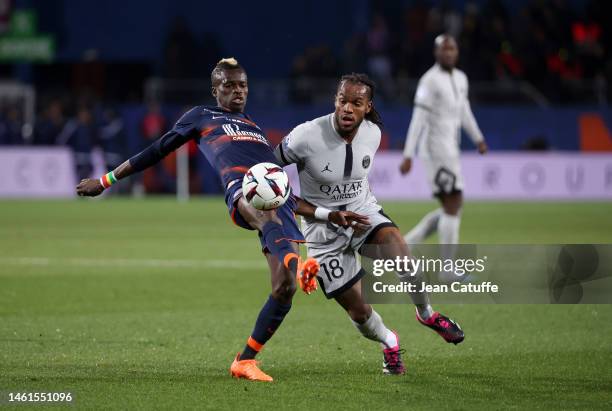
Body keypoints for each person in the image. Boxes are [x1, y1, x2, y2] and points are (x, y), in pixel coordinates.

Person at [76, 58, 363, 382]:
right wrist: (105, 181)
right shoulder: (201, 117)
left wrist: (329, 214)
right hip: (244, 190)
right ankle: (301, 267)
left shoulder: (254, 128)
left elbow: (282, 190)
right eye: (229, 85)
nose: (238, 91)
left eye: (242, 85)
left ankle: (245, 360)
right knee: (265, 211)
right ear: (216, 90)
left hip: (278, 199)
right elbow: (157, 150)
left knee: (283, 288)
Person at [275, 73, 465, 375]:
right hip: (322, 232)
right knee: (360, 312)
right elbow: (272, 183)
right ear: (334, 101)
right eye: (342, 101)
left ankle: (427, 314)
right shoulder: (305, 136)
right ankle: (390, 343)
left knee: (404, 258)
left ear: (367, 107)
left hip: (363, 215)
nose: (347, 109)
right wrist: (325, 213)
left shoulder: (372, 133)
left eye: (356, 103)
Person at [399, 35, 487, 277]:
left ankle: (403, 246)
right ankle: (447, 269)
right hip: (434, 150)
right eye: (444, 49)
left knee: (452, 207)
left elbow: (464, 111)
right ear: (436, 53)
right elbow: (418, 119)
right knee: (453, 202)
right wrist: (408, 154)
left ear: (457, 52)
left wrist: (477, 137)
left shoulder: (461, 78)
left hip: (451, 150)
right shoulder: (429, 81)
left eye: (452, 49)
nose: (448, 53)